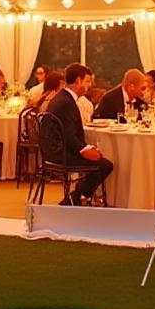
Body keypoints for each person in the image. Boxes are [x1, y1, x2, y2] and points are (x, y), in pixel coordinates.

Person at [42, 63, 113, 204]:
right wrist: (85, 149)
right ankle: (75, 198)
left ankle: (76, 197)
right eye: (87, 81)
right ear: (78, 81)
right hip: (60, 154)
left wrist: (87, 148)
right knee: (105, 165)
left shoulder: (62, 98)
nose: (89, 86)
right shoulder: (66, 102)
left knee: (99, 159)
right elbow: (69, 136)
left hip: (53, 150)